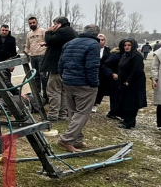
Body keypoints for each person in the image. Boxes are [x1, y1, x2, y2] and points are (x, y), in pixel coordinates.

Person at [57, 24, 101, 152]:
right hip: (84, 84)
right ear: (97, 34)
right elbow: (92, 67)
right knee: (82, 113)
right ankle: (67, 139)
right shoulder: (93, 45)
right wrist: (94, 83)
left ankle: (77, 139)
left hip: (68, 82)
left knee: (73, 112)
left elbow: (61, 63)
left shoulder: (69, 43)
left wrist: (64, 77)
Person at [41, 16, 78, 121]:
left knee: (53, 91)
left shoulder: (62, 31)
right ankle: (62, 114)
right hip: (68, 67)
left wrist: (48, 32)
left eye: (54, 24)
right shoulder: (73, 32)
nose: (53, 27)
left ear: (59, 24)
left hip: (57, 66)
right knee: (63, 92)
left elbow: (50, 39)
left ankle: (53, 115)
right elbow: (57, 42)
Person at [116, 38, 147, 129]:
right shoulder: (125, 55)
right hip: (125, 82)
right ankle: (128, 120)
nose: (127, 47)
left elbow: (137, 70)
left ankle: (129, 122)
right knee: (125, 101)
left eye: (129, 45)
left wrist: (128, 81)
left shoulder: (136, 55)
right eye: (125, 45)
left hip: (134, 83)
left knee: (131, 103)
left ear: (133, 45)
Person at [24, 16, 47, 102]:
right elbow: (27, 46)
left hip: (42, 55)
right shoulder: (29, 34)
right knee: (35, 76)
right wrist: (24, 55)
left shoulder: (42, 31)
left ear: (36, 22)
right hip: (32, 57)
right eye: (30, 23)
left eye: (33, 22)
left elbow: (48, 41)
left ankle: (46, 95)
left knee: (43, 76)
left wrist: (44, 43)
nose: (32, 24)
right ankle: (37, 95)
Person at [93, 34, 112, 112]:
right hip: (94, 71)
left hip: (103, 73)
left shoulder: (108, 50)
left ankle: (96, 103)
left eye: (102, 40)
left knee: (101, 89)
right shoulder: (92, 48)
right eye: (99, 40)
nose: (101, 42)